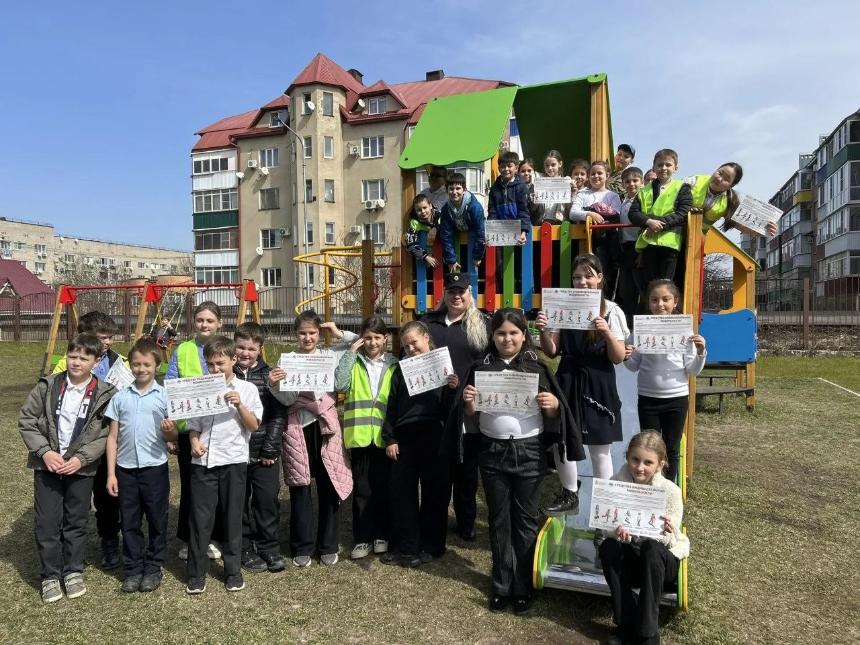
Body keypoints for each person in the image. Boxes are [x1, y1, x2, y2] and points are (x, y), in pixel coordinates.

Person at [457, 309, 582, 614]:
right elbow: (470, 417)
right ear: (493, 337)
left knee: (525, 522)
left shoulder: (537, 368)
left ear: (524, 336)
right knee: (499, 520)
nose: (507, 338)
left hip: (530, 453)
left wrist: (553, 407)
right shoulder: (480, 369)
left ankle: (522, 586)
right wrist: (469, 403)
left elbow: (555, 416)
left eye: (514, 333)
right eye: (501, 333)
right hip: (492, 453)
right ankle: (501, 586)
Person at [20, 333, 116, 603]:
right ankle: (50, 575)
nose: (76, 362)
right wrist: (45, 452)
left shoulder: (105, 392)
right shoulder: (48, 386)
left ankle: (73, 570)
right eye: (72, 356)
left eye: (84, 358)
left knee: (76, 521)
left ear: (96, 361)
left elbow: (107, 433)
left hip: (80, 469)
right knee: (47, 522)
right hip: (47, 466)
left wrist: (82, 459)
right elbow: (27, 420)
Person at [536, 254, 628, 514]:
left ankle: (606, 505)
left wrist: (607, 332)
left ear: (600, 278)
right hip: (567, 377)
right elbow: (552, 350)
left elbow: (618, 357)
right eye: (577, 277)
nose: (582, 282)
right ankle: (570, 495)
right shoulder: (562, 305)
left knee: (600, 449)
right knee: (562, 441)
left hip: (599, 380)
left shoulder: (612, 310)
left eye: (588, 276)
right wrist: (543, 330)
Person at [268, 311, 356, 568]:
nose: (307, 338)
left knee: (329, 487)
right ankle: (302, 545)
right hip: (298, 428)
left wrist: (338, 332)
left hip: (326, 427)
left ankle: (328, 544)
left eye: (312, 333)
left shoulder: (329, 356)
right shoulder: (288, 360)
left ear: (319, 335)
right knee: (300, 488)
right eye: (302, 333)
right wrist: (275, 386)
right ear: (296, 335)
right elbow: (286, 401)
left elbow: (360, 343)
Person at [185, 336, 263, 594]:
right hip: (203, 463)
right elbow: (194, 426)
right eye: (210, 365)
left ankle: (232, 571)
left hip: (233, 461)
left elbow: (253, 426)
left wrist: (239, 404)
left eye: (220, 363)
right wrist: (194, 442)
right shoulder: (202, 388)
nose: (216, 369)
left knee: (232, 518)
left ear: (233, 360)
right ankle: (196, 573)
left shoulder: (248, 389)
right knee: (200, 519)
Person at [598, 431, 689, 645]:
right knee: (608, 547)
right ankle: (626, 625)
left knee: (652, 547)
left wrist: (668, 530)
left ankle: (648, 632)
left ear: (660, 465)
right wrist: (615, 532)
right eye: (635, 460)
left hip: (661, 563)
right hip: (633, 557)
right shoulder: (615, 483)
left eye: (648, 462)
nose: (640, 467)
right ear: (627, 456)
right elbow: (605, 529)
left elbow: (675, 538)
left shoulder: (671, 491)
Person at [53, 310, 125, 570]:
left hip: (107, 439)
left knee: (107, 498)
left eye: (110, 338)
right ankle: (70, 549)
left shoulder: (120, 361)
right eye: (103, 337)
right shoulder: (67, 363)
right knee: (73, 499)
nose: (108, 343)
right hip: (74, 443)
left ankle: (109, 542)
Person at [382, 320, 458, 567]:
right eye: (406, 346)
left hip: (434, 434)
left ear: (426, 338)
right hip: (405, 437)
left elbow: (451, 410)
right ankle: (407, 545)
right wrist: (390, 437)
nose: (411, 349)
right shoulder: (401, 370)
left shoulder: (444, 367)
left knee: (435, 492)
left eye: (414, 342)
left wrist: (452, 389)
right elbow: (391, 405)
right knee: (402, 491)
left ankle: (432, 546)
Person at [422, 272, 491, 542]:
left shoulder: (481, 323)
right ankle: (436, 519)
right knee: (440, 470)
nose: (456, 296)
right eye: (452, 291)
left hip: (468, 408)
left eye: (461, 291)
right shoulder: (430, 323)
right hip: (435, 407)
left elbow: (489, 363)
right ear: (445, 294)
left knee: (466, 469)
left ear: (469, 293)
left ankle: (466, 521)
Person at [104, 338, 174, 593]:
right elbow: (112, 437)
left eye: (146, 364)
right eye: (136, 364)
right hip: (125, 469)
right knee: (129, 521)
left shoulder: (164, 396)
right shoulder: (120, 397)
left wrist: (170, 432)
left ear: (156, 365)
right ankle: (133, 568)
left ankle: (153, 566)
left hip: (154, 468)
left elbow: (173, 437)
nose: (141, 369)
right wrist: (111, 473)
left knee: (157, 519)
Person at [624, 280, 706, 482]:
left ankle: (669, 493)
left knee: (672, 447)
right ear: (648, 303)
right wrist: (627, 355)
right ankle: (649, 491)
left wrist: (701, 352)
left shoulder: (685, 331)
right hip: (648, 398)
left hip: (677, 398)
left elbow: (692, 369)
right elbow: (634, 365)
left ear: (675, 302)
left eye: (665, 299)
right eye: (654, 300)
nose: (660, 304)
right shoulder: (641, 330)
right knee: (649, 448)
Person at [164, 300, 224, 561]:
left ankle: (213, 537)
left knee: (216, 488)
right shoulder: (183, 350)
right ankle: (190, 539)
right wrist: (174, 432)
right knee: (191, 487)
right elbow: (171, 387)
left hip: (220, 428)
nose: (204, 324)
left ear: (218, 323)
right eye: (200, 320)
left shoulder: (224, 349)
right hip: (190, 430)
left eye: (210, 320)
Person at [335, 315, 398, 560]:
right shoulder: (353, 362)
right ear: (361, 339)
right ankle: (362, 538)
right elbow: (340, 384)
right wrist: (351, 353)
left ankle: (382, 535)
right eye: (367, 338)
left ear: (385, 339)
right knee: (362, 490)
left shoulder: (394, 364)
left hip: (384, 437)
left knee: (383, 488)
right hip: (359, 436)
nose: (372, 343)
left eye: (377, 338)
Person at [233, 322, 288, 574]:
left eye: (251, 349)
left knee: (266, 501)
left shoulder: (270, 375)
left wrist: (270, 449)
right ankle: (243, 546)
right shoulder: (226, 374)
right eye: (241, 347)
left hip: (263, 451)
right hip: (234, 452)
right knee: (238, 502)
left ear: (260, 349)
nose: (245, 353)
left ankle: (268, 546)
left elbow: (278, 415)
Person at [628, 149, 693, 291]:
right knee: (649, 284)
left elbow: (683, 212)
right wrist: (649, 222)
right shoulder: (644, 190)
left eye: (668, 165)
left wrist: (658, 225)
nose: (664, 168)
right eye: (660, 165)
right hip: (648, 243)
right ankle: (650, 312)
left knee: (666, 283)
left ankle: (665, 313)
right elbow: (633, 214)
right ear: (654, 167)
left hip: (669, 244)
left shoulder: (682, 188)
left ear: (676, 168)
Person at [570, 161, 623, 299]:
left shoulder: (612, 196)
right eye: (592, 173)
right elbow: (573, 212)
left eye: (599, 173)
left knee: (605, 272)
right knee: (585, 271)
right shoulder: (583, 194)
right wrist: (589, 213)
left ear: (607, 175)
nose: (596, 176)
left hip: (607, 240)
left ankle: (605, 301)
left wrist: (600, 211)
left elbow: (617, 214)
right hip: (586, 239)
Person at [686, 162, 778, 237]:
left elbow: (740, 225)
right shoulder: (694, 181)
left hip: (694, 241)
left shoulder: (730, 201)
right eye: (720, 173)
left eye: (726, 179)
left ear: (731, 186)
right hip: (673, 231)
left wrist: (764, 228)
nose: (719, 179)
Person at [439, 172, 486, 273]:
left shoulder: (474, 207)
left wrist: (478, 256)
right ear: (447, 190)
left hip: (477, 245)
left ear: (464, 189)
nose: (454, 192)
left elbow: (481, 231)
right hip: (459, 243)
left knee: (478, 274)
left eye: (458, 188)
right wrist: (451, 259)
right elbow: (446, 235)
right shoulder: (446, 209)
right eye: (451, 189)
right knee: (461, 272)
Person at [617, 166, 645, 322]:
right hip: (626, 246)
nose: (631, 184)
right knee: (627, 288)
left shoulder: (643, 199)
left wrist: (642, 251)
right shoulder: (624, 200)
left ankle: (641, 320)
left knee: (640, 285)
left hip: (638, 245)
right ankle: (628, 322)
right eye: (627, 181)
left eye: (635, 181)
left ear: (641, 182)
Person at [488, 150, 530, 244]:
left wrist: (523, 231)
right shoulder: (494, 190)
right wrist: (491, 231)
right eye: (503, 166)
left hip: (517, 232)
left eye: (509, 166)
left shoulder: (521, 187)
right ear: (499, 168)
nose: (506, 169)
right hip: (501, 233)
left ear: (516, 168)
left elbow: (524, 211)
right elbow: (492, 212)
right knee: (501, 258)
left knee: (519, 258)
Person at [532, 150, 574, 225]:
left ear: (560, 164)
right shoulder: (539, 181)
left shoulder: (566, 181)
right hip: (542, 223)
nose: (550, 168)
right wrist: (534, 198)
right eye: (547, 165)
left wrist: (572, 193)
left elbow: (570, 209)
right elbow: (535, 207)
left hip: (560, 223)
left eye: (553, 165)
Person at [405, 193, 441, 268]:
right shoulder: (415, 223)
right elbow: (410, 244)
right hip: (426, 256)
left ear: (430, 206)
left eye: (425, 207)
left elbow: (447, 227)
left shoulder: (439, 216)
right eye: (419, 210)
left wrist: (436, 227)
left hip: (442, 251)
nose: (423, 211)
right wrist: (425, 256)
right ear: (415, 211)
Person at [518, 158, 543, 226]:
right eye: (523, 171)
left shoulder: (539, 188)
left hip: (537, 226)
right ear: (518, 173)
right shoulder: (516, 189)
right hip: (520, 226)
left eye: (529, 171)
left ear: (534, 172)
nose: (526, 173)